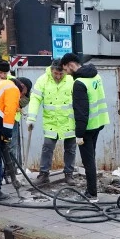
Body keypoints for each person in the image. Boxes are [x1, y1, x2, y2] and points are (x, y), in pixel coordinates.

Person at [27, 52, 79, 186]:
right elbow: (35, 99)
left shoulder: (71, 79)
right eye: (56, 73)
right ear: (51, 70)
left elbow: (80, 100)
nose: (58, 76)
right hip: (51, 122)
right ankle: (44, 174)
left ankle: (69, 174)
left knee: (71, 149)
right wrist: (31, 117)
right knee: (47, 148)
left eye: (61, 74)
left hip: (69, 121)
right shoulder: (43, 80)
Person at [72, 61, 108, 202]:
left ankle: (92, 194)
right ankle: (91, 190)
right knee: (90, 158)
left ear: (70, 65)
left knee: (88, 161)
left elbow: (81, 111)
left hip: (86, 128)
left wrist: (79, 133)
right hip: (98, 123)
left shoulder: (79, 83)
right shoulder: (95, 76)